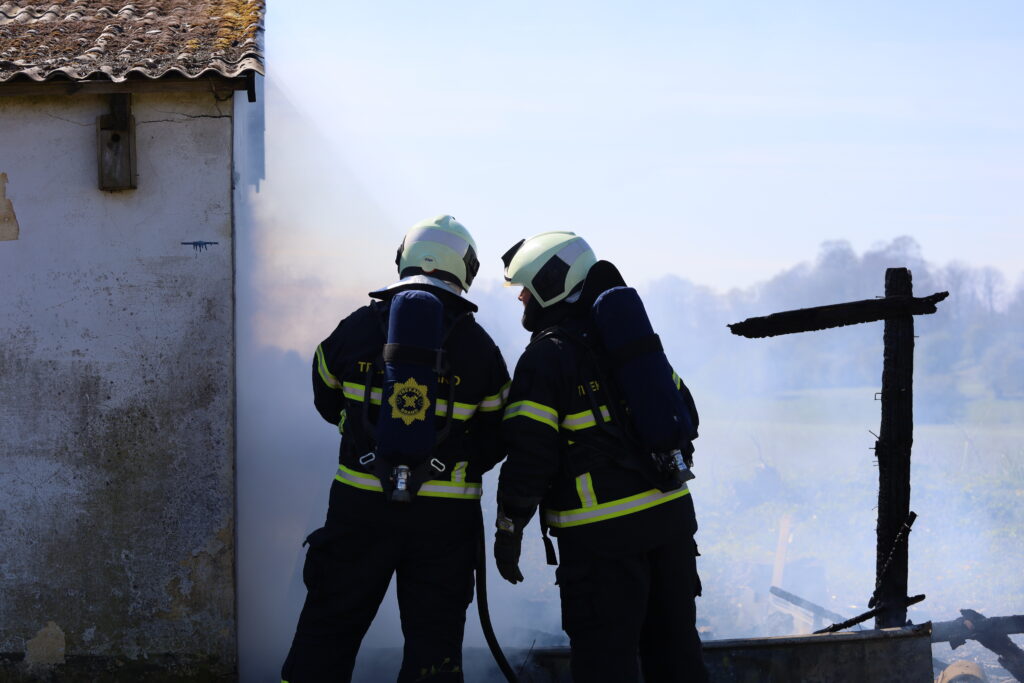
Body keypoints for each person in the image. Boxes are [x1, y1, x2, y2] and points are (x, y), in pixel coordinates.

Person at [281, 215, 510, 683]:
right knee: (435, 643)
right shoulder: (479, 346)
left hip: (360, 507)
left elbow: (325, 394)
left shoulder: (355, 328)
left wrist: (360, 439)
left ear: (403, 257)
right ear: (465, 268)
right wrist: (451, 465)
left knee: (329, 627)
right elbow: (498, 434)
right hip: (445, 521)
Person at [493, 231, 708, 683]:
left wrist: (509, 526)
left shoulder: (546, 357)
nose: (522, 299)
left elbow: (530, 456)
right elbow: (685, 414)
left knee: (605, 666)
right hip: (671, 527)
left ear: (550, 285)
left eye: (526, 288)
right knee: (677, 658)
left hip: (602, 544)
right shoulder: (631, 341)